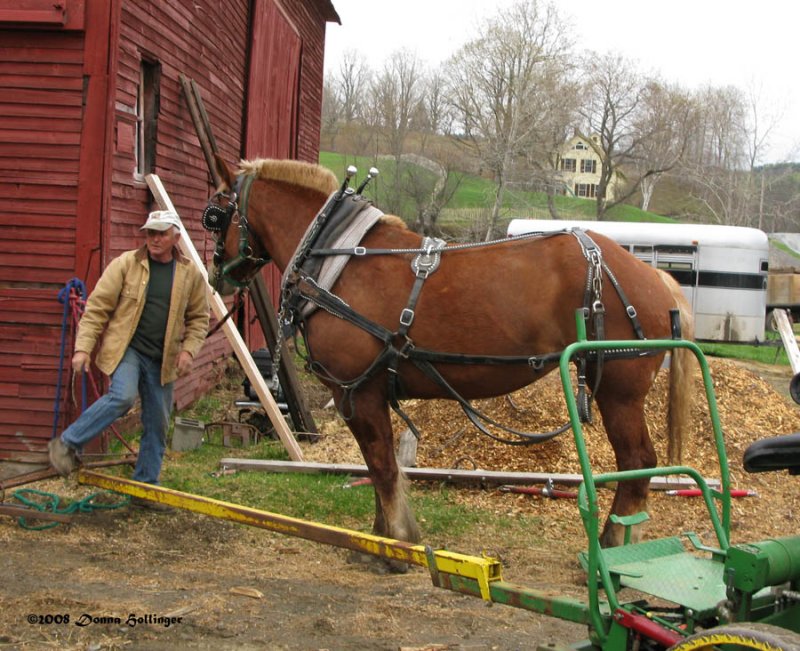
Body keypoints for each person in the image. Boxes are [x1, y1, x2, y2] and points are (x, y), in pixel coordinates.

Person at [48, 210, 209, 507]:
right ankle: (66, 444)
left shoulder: (189, 275)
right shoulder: (126, 265)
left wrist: (188, 350)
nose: (155, 239)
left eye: (161, 233)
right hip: (129, 350)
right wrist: (83, 348)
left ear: (175, 237)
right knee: (122, 397)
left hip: (164, 358)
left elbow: (199, 318)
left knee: (158, 423)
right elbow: (97, 309)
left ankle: (144, 488)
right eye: (150, 233)